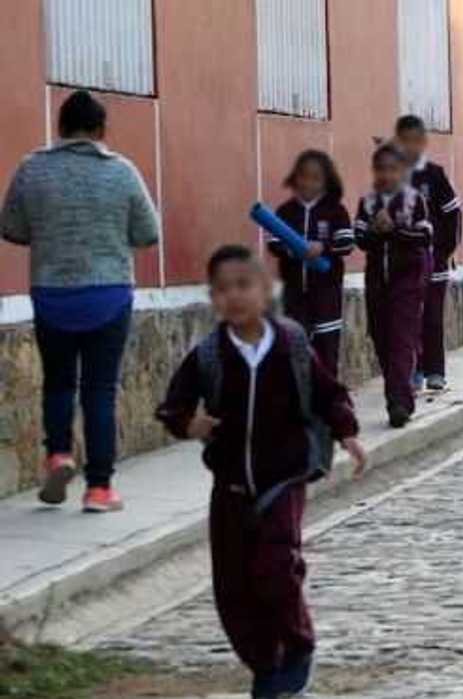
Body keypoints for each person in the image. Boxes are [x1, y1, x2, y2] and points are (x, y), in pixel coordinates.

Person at [156, 245, 365, 699]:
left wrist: (346, 431)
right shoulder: (210, 354)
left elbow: (329, 393)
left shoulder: (290, 344)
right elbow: (173, 405)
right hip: (229, 486)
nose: (235, 296)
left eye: (244, 285)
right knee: (232, 587)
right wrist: (187, 423)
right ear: (213, 298)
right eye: (223, 289)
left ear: (265, 290)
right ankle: (264, 665)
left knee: (273, 567)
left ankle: (297, 647)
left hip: (283, 480)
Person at [0, 90, 159, 512]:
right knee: (100, 390)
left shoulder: (32, 169)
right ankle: (100, 489)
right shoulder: (122, 172)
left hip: (52, 295)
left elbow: (11, 227)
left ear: (60, 127)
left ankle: (58, 455)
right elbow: (148, 233)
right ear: (101, 130)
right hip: (107, 295)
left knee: (58, 382)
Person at [354, 142, 433, 428]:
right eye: (381, 169)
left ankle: (398, 402)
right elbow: (360, 239)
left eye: (393, 169)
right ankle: (399, 392)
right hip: (377, 282)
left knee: (402, 339)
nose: (387, 175)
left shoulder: (415, 201)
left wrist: (395, 230)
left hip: (408, 281)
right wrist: (376, 230)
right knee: (382, 338)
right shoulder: (368, 202)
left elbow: (424, 238)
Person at [268, 150, 354, 378]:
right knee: (296, 347)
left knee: (326, 349)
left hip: (327, 292)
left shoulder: (335, 211)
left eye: (315, 178)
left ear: (326, 182)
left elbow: (346, 243)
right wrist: (295, 250)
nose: (308, 183)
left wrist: (323, 248)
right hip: (295, 292)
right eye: (303, 176)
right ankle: (300, 402)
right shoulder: (286, 211)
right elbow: (274, 243)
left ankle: (328, 402)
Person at [395, 115, 463, 393]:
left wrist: (445, 251)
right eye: (404, 141)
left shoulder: (435, 174)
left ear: (423, 143)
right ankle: (415, 370)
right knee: (410, 318)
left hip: (434, 261)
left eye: (415, 140)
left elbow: (453, 215)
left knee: (432, 317)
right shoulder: (396, 175)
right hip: (407, 263)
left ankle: (436, 371)